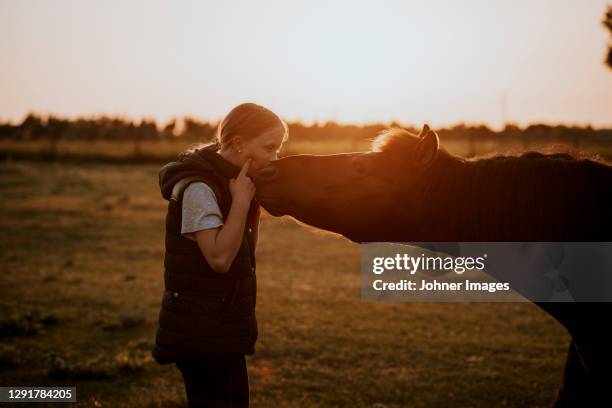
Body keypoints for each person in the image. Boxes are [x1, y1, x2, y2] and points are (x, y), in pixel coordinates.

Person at [152, 103, 288, 407]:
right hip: (200, 334)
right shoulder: (199, 188)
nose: (274, 158)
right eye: (269, 148)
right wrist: (241, 201)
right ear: (238, 143)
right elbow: (219, 258)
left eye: (278, 149)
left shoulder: (236, 183)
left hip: (221, 328)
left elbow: (242, 251)